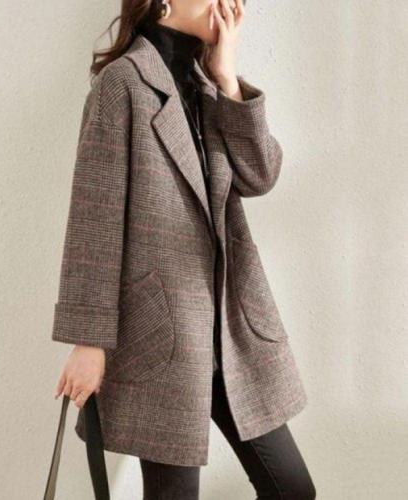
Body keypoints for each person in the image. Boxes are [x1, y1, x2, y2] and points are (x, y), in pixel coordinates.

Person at [51, 0, 316, 498]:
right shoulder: (122, 85)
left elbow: (260, 176)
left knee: (293, 488)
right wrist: (88, 341)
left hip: (231, 333)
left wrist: (228, 79)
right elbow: (95, 219)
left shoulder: (209, 83)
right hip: (164, 337)